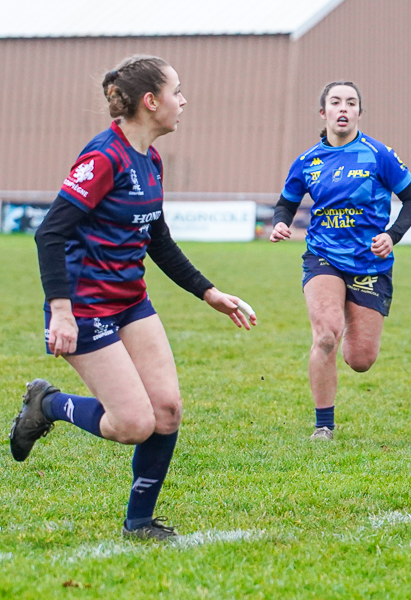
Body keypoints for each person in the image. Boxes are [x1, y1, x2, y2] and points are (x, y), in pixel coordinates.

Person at [8, 55, 257, 541]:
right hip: (84, 309)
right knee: (133, 423)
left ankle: (139, 522)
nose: (183, 101)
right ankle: (49, 404)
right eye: (177, 91)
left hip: (130, 302)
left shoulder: (151, 158)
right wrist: (61, 312)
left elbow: (156, 239)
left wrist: (209, 293)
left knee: (167, 409)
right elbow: (49, 234)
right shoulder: (104, 158)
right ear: (150, 101)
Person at [270, 81, 411, 441]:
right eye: (336, 102)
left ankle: (343, 348)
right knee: (326, 334)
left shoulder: (378, 154)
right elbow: (286, 202)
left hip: (369, 263)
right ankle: (323, 426)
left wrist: (392, 235)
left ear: (358, 112)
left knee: (360, 360)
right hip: (323, 256)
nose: (343, 108)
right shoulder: (308, 161)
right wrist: (281, 222)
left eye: (351, 103)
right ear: (323, 113)